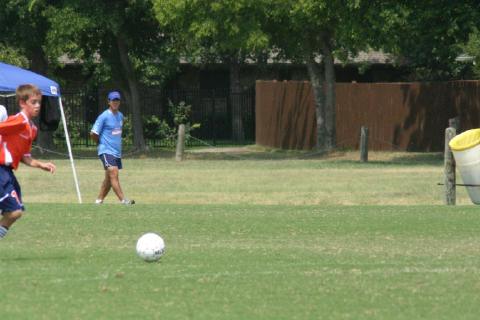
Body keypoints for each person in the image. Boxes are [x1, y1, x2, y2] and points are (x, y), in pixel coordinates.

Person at [0, 84, 56, 239]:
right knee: (13, 212)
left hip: (7, 173)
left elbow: (25, 156)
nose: (37, 106)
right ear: (22, 103)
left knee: (14, 212)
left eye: (39, 102)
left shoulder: (32, 129)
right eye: (33, 102)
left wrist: (42, 165)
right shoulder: (18, 121)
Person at [90, 91, 134, 205]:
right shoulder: (104, 116)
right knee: (113, 173)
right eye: (113, 100)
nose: (115, 102)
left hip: (116, 152)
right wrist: (100, 143)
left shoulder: (120, 116)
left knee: (109, 179)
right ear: (108, 102)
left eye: (117, 100)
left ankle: (98, 200)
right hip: (105, 151)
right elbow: (93, 133)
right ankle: (124, 201)